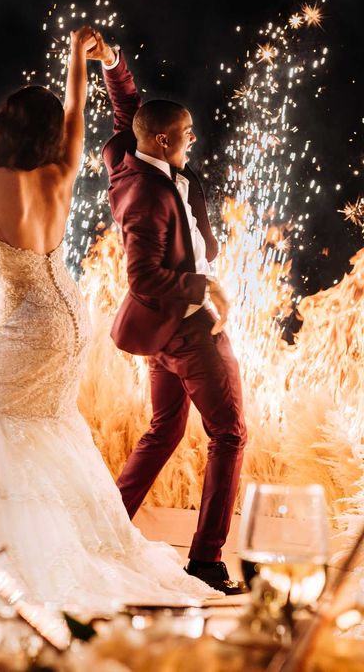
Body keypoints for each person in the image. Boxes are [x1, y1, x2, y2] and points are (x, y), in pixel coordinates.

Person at [0, 27, 220, 610]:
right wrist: (79, 54)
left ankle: (11, 563)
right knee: (49, 430)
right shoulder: (60, 175)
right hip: (72, 322)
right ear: (47, 134)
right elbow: (77, 114)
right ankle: (70, 546)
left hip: (25, 325)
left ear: (5, 127)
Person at [93, 34, 249, 595]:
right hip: (186, 327)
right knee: (229, 433)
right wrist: (203, 285)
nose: (192, 139)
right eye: (185, 134)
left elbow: (129, 111)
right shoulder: (144, 193)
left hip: (162, 333)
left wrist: (113, 64)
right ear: (163, 140)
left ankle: (100, 532)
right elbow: (142, 277)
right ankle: (207, 561)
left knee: (164, 430)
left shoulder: (128, 151)